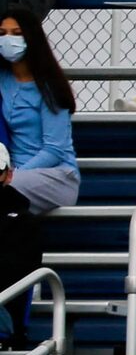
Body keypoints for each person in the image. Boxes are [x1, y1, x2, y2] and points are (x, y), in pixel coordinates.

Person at [0, 12, 77, 213]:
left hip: (56, 176)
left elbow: (54, 149)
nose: (8, 39)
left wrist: (11, 175)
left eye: (16, 33)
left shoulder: (49, 86)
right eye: (2, 33)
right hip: (13, 173)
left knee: (6, 191)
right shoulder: (3, 79)